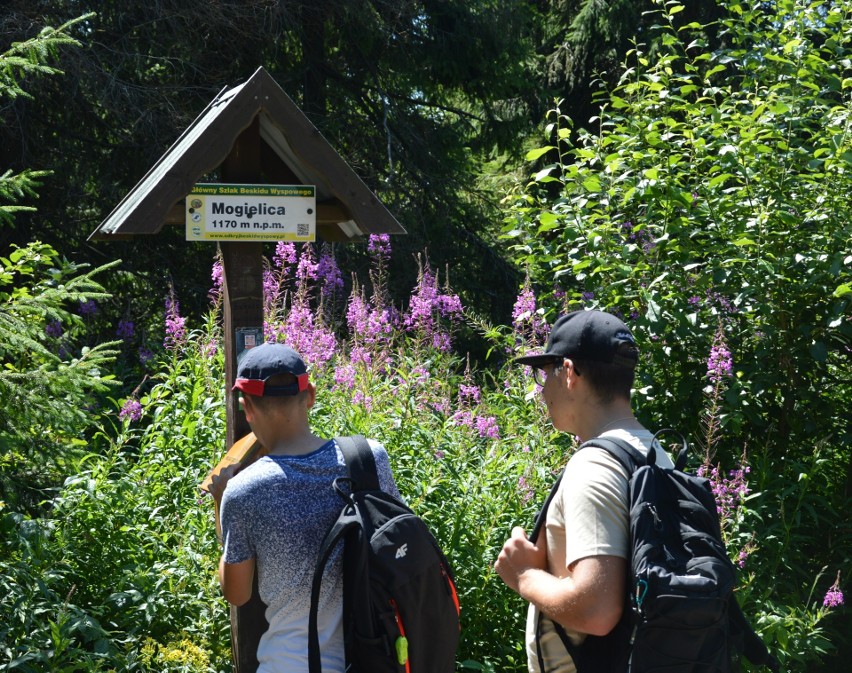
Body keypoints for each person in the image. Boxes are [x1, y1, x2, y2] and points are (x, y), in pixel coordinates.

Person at [494, 309, 675, 673]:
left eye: (545, 374)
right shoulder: (658, 455)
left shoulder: (594, 466)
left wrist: (523, 576)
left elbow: (597, 611)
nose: (543, 391)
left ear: (571, 372)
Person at [208, 343, 400, 673]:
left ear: (246, 407)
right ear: (309, 395)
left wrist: (220, 502)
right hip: (377, 657)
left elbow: (236, 593)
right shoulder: (370, 459)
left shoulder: (243, 491)